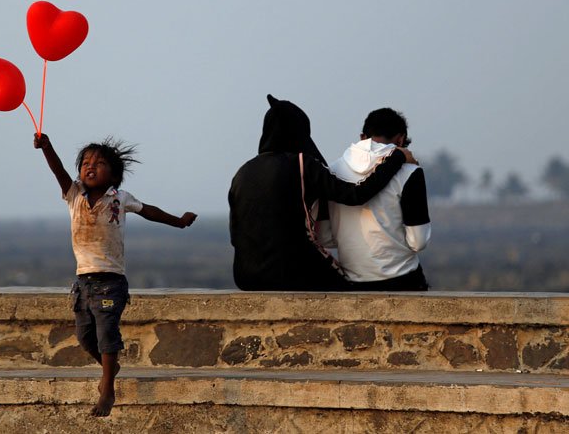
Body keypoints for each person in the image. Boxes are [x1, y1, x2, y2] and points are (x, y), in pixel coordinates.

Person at [34, 133, 197, 417]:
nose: (90, 167)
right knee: (86, 337)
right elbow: (59, 171)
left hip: (111, 281)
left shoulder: (119, 198)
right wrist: (47, 148)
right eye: (85, 162)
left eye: (98, 163)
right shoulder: (73, 195)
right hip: (83, 281)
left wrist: (179, 222)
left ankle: (107, 389)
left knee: (107, 331)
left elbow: (149, 211)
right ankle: (111, 366)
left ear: (114, 174)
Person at [228, 95, 416, 291]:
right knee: (353, 291)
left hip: (245, 277)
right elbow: (356, 195)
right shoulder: (301, 164)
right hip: (290, 274)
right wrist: (395, 158)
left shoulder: (242, 173)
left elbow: (235, 235)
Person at [328, 108, 431, 290]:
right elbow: (418, 241)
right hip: (402, 280)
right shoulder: (410, 173)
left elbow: (324, 237)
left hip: (351, 281)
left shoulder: (332, 170)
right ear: (401, 139)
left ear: (362, 137)